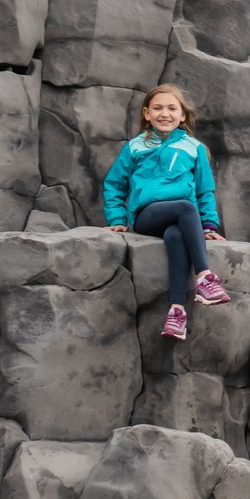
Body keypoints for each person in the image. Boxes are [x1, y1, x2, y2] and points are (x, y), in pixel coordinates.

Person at [102, 84, 232, 340]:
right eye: (158, 108)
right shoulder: (135, 146)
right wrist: (117, 219)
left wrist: (208, 226)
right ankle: (205, 278)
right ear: (147, 113)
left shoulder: (193, 148)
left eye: (172, 108)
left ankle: (176, 312)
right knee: (185, 206)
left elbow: (205, 191)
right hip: (147, 216)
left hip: (183, 221)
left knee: (175, 236)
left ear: (182, 115)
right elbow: (114, 184)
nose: (165, 113)